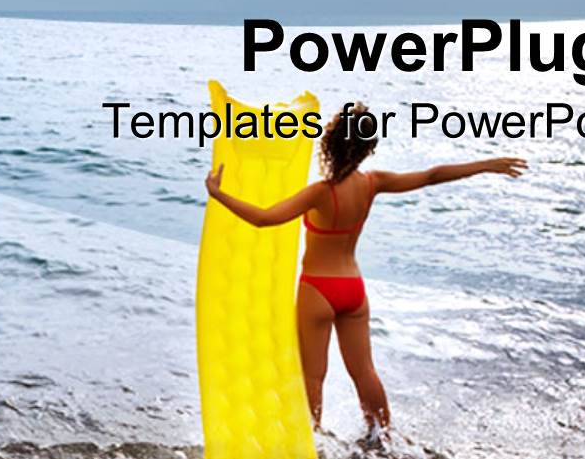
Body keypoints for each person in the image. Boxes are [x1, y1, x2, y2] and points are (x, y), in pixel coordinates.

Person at [204, 103, 526, 435]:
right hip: (353, 289)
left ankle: (312, 440)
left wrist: (218, 194)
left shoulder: (320, 193)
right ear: (366, 148)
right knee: (364, 371)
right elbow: (431, 176)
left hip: (318, 288)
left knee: (313, 374)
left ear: (329, 144)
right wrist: (486, 165)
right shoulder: (373, 183)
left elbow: (264, 218)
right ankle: (383, 436)